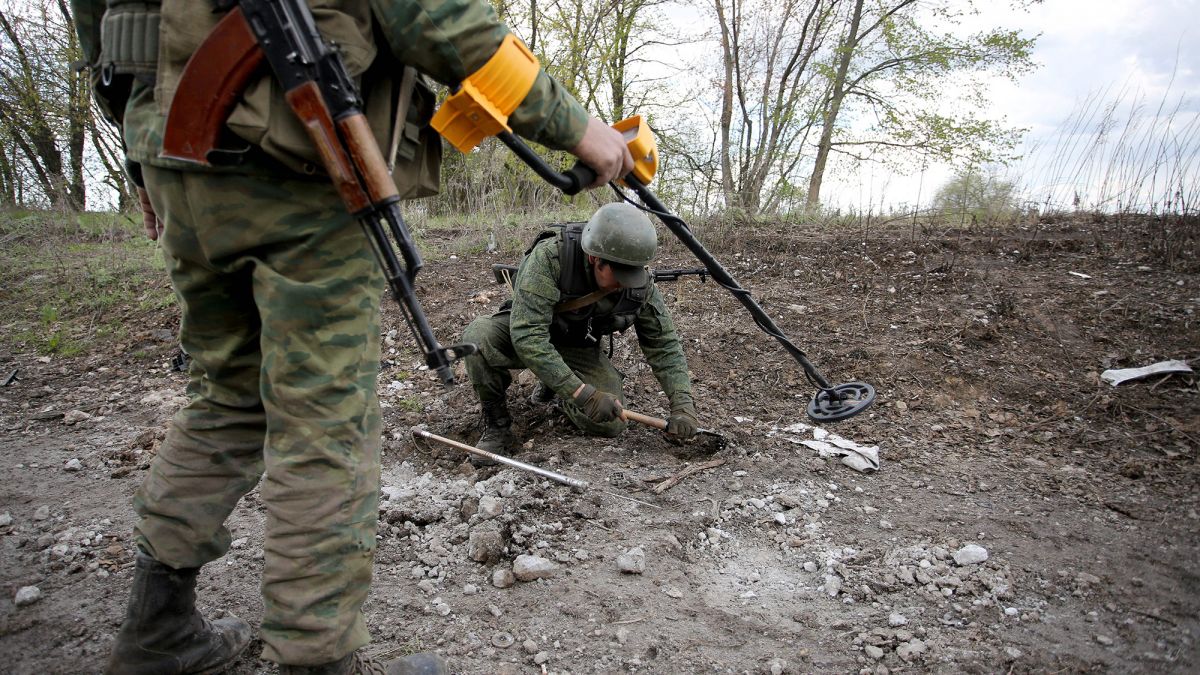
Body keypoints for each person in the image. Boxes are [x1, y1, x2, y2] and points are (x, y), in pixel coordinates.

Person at [69, 1, 633, 674]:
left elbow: (101, 22)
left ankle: (157, 627)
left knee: (229, 392)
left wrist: (139, 153)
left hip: (173, 145)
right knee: (325, 419)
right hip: (291, 154)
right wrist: (577, 128)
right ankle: (319, 660)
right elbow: (438, 18)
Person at [462, 201, 700, 458]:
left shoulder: (640, 285)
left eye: (633, 274)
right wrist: (583, 395)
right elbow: (528, 335)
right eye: (619, 274)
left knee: (610, 423)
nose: (624, 283)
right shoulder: (551, 258)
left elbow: (664, 345)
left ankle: (557, 386)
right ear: (594, 258)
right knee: (478, 337)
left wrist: (682, 405)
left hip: (578, 345)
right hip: (530, 332)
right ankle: (497, 424)